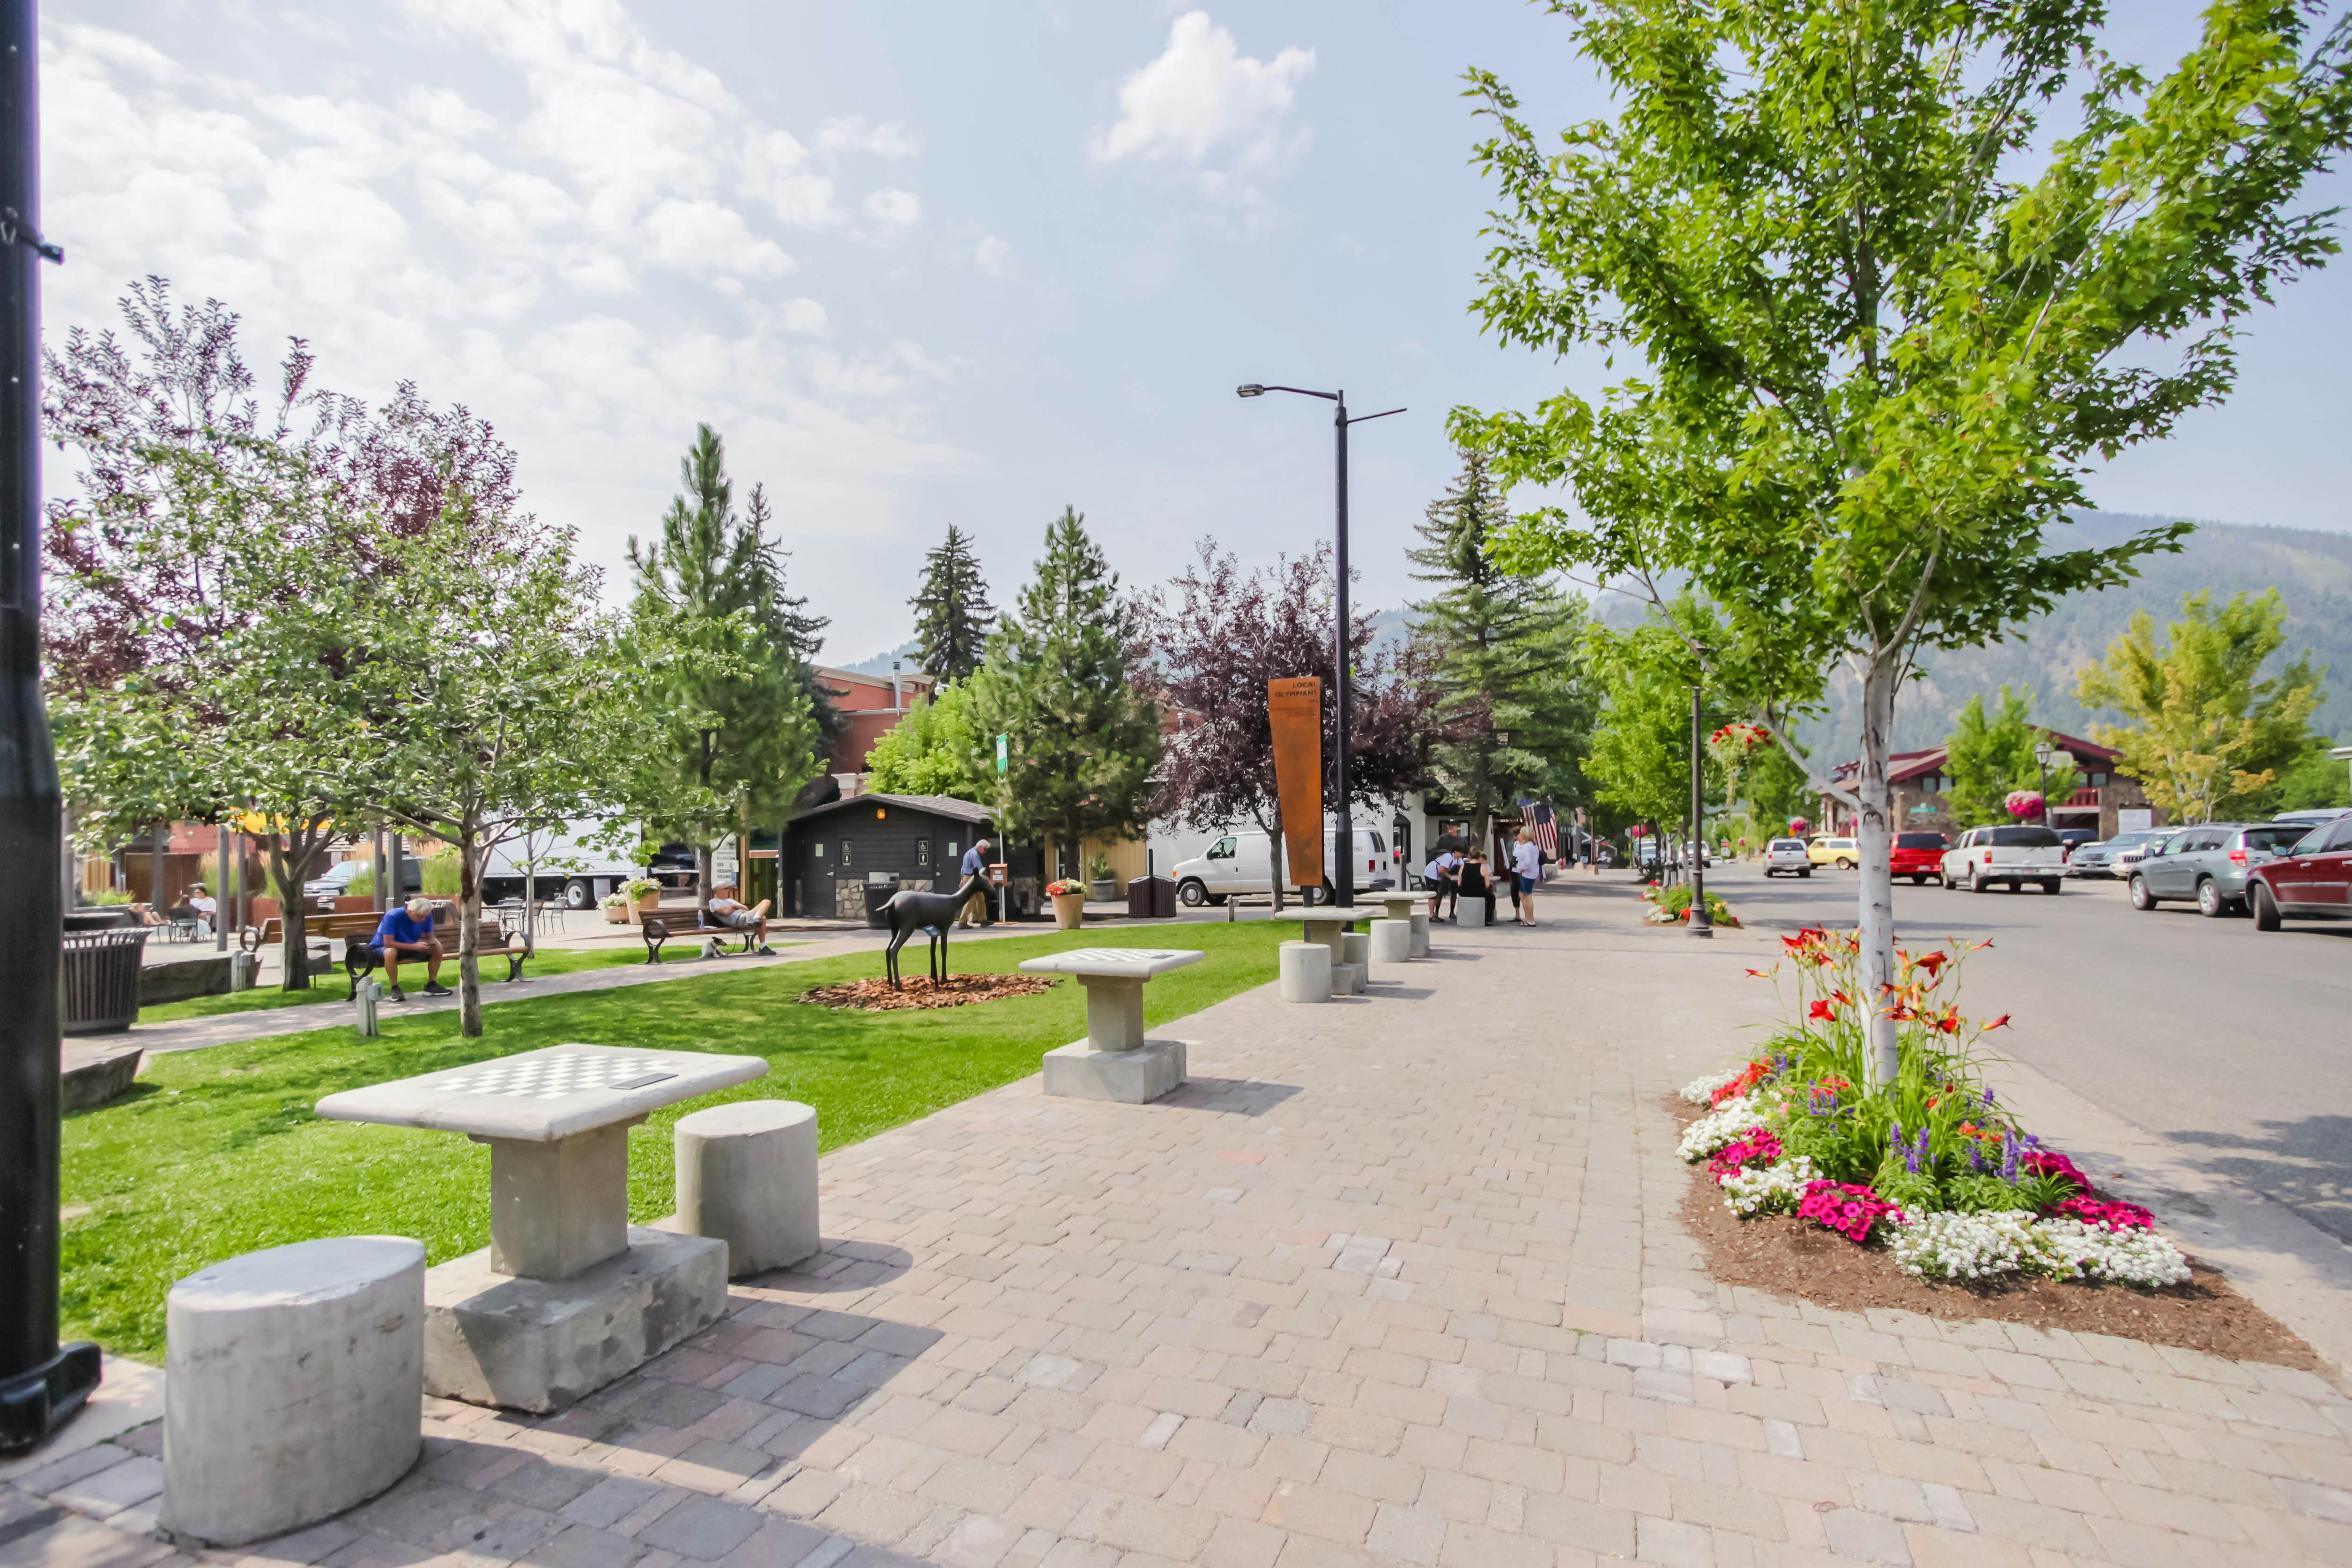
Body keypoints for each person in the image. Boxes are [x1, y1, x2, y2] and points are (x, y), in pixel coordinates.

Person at [371, 895, 450, 1002]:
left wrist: (433, 942)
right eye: (419, 917)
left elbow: (431, 937)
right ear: (409, 911)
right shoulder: (393, 916)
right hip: (383, 949)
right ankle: (395, 988)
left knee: (438, 948)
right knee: (390, 952)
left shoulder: (427, 915)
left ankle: (432, 985)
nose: (422, 919)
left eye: (425, 917)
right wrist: (414, 946)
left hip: (410, 947)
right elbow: (388, 943)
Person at [706, 884, 777, 954]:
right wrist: (734, 906)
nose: (728, 890)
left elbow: (745, 908)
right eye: (726, 888)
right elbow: (726, 912)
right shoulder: (713, 902)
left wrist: (732, 907)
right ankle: (756, 920)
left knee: (766, 904)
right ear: (719, 891)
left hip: (745, 915)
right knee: (764, 913)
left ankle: (763, 946)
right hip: (736, 920)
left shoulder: (730, 900)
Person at [960, 838, 994, 925]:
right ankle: (962, 922)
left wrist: (962, 880)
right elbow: (980, 868)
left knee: (981, 898)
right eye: (985, 849)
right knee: (971, 900)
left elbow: (963, 868)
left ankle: (983, 920)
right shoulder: (975, 854)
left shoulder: (968, 852)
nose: (985, 852)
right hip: (972, 878)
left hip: (967, 877)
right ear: (980, 846)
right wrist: (987, 880)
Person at [1514, 826, 1543, 927]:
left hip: (1528, 873)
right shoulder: (1533, 845)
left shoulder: (1527, 847)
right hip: (1532, 872)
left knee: (1526, 895)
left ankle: (1530, 919)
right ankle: (1528, 918)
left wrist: (1523, 868)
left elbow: (1528, 860)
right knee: (1524, 895)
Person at [1424, 846, 1461, 922]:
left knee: (1436, 894)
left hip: (1437, 876)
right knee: (1433, 895)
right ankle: (1432, 916)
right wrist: (1450, 876)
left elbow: (1463, 867)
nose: (1462, 855)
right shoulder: (1449, 857)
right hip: (1431, 873)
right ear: (1456, 852)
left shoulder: (1458, 859)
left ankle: (1434, 915)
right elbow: (1441, 871)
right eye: (1461, 853)